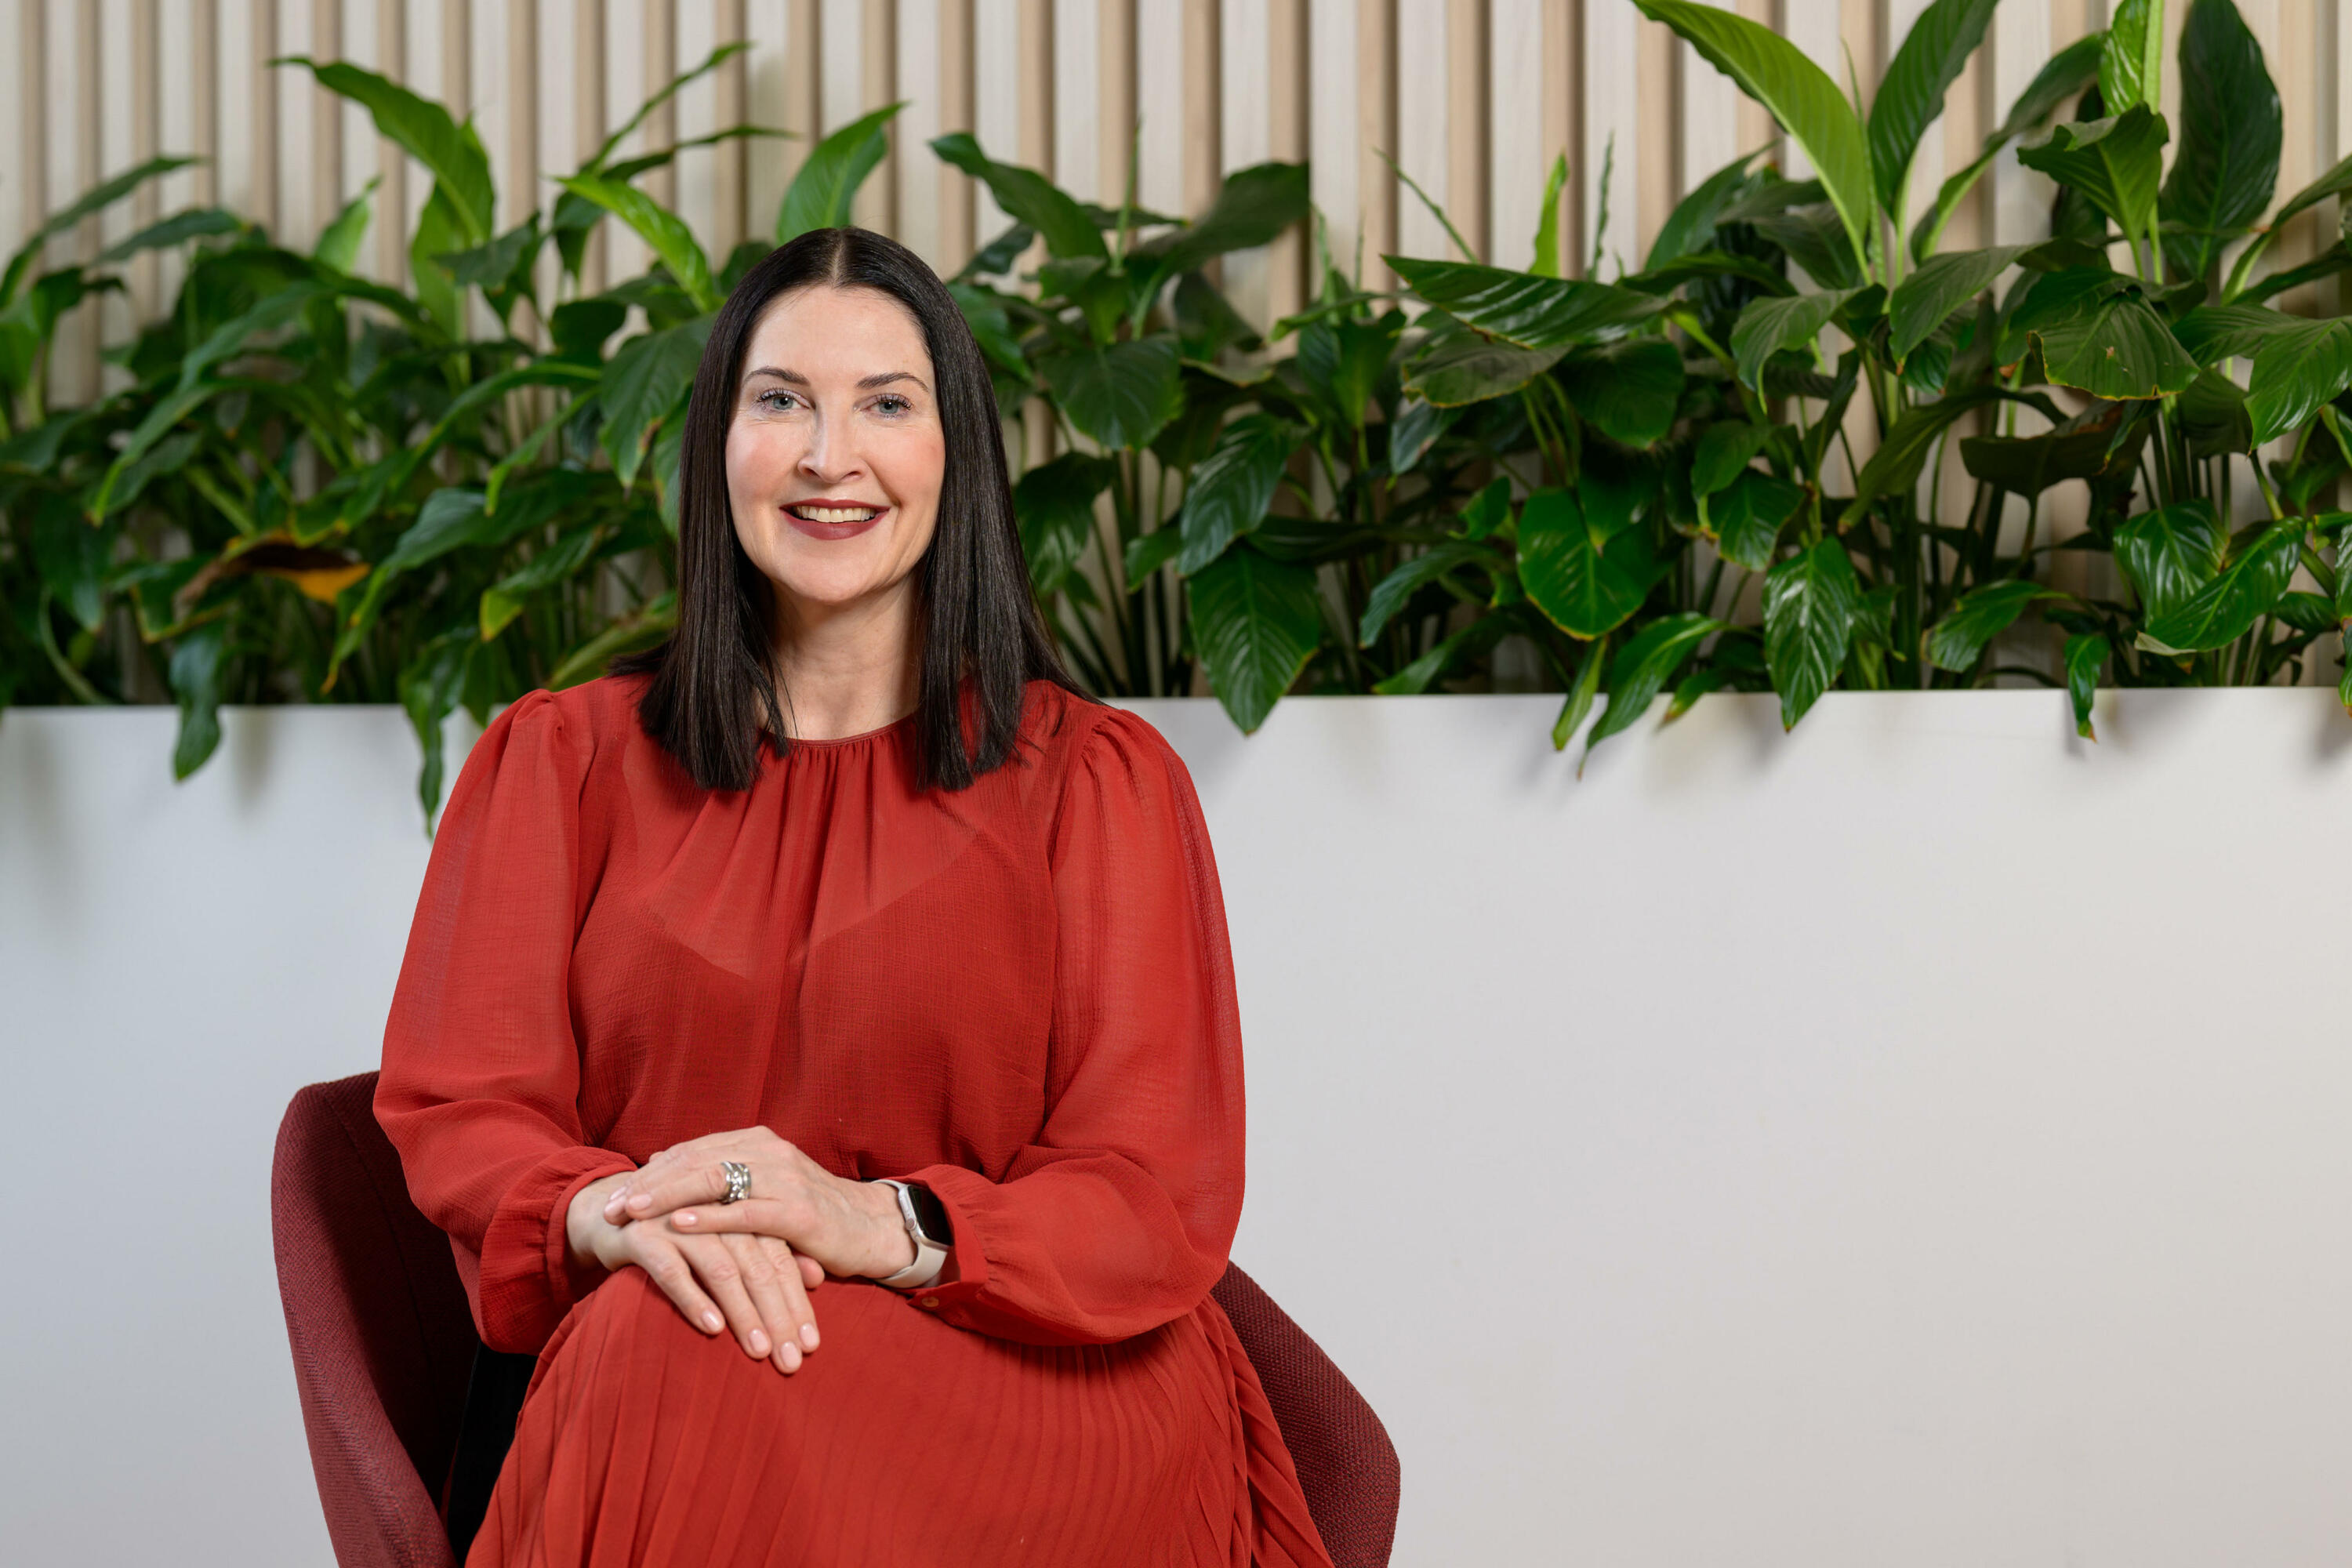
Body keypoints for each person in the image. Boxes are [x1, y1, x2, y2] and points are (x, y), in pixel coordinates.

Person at [374, 226, 1334, 1568]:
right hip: (670, 1345)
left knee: (683, 1358)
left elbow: (1148, 1187)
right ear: (718, 444)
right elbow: (467, 1104)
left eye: (888, 403)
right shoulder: (561, 764)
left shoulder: (1101, 783)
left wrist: (874, 1224)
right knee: (678, 1339)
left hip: (1034, 1392)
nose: (831, 457)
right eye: (782, 402)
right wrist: (610, 1217)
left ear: (957, 456)